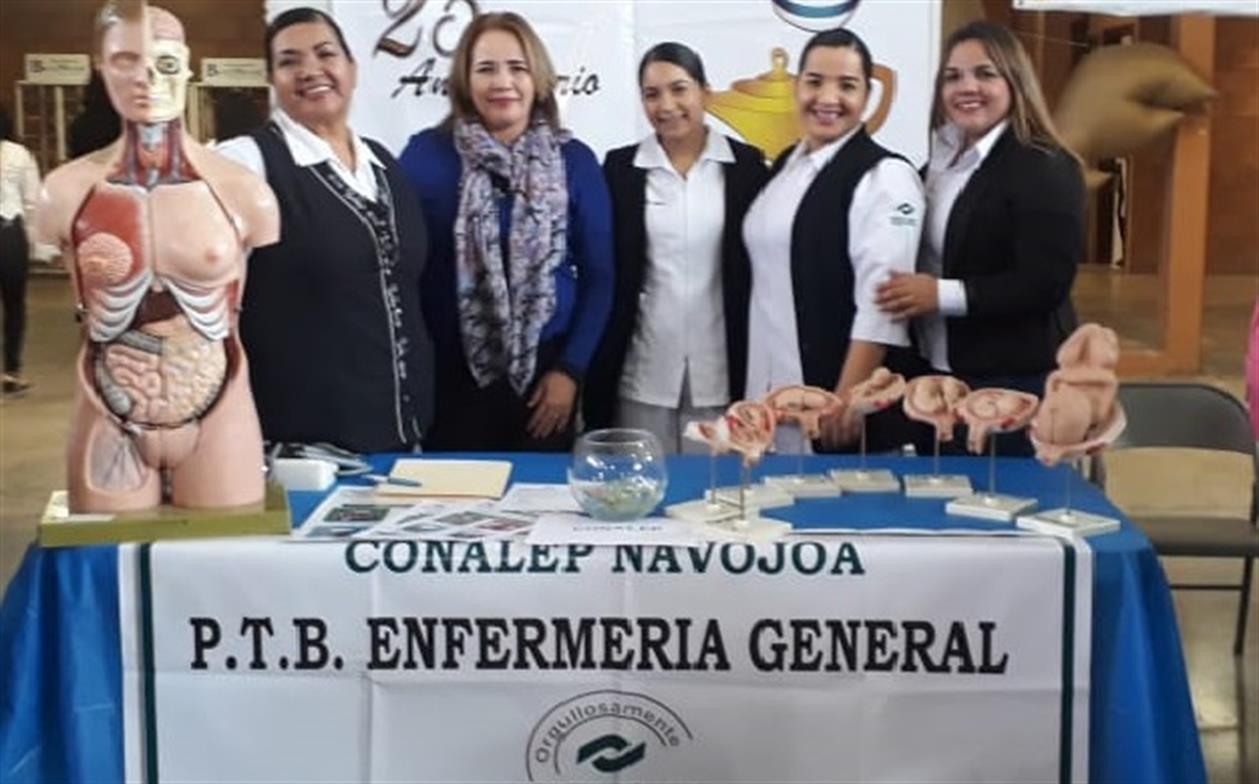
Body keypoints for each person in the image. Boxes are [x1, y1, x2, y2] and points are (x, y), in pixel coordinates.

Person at [35, 1, 279, 511]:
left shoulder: (242, 191)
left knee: (224, 548)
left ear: (187, 68)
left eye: (164, 63)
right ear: (102, 68)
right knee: (104, 551)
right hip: (109, 400)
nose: (145, 79)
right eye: (125, 61)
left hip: (216, 397)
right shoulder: (65, 192)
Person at [217, 7, 434, 454]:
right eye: (289, 61)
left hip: (405, 433)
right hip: (304, 447)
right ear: (272, 79)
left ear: (352, 69)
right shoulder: (247, 163)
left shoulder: (383, 163)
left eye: (325, 54)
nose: (310, 70)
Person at [399, 12, 613, 452]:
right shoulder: (425, 156)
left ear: (538, 78)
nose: (503, 82)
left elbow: (601, 278)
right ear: (465, 80)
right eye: (486, 69)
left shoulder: (575, 162)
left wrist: (571, 370)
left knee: (543, 494)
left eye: (517, 67)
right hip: (449, 383)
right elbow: (403, 272)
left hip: (546, 384)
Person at [875, 21, 1084, 456]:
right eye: (953, 77)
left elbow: (1045, 282)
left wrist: (939, 295)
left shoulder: (1045, 165)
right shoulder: (939, 161)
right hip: (936, 376)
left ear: (1015, 82)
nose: (967, 87)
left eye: (985, 74)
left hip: (1011, 382)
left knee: (1001, 494)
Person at [742, 29, 923, 453]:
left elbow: (883, 303)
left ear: (868, 95)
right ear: (796, 86)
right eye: (815, 82)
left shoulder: (886, 177)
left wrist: (846, 400)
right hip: (769, 391)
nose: (828, 98)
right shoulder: (787, 164)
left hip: (831, 400)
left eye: (847, 85)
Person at [584, 42, 768, 453]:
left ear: (705, 92)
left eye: (679, 89)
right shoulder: (619, 170)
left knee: (716, 486)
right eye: (652, 94)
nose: (666, 105)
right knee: (639, 482)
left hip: (723, 372)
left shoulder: (747, 168)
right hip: (642, 372)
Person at [0, 105, 40, 397]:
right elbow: (32, 201)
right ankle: (11, 371)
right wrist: (36, 245)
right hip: (9, 233)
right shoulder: (18, 154)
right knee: (14, 305)